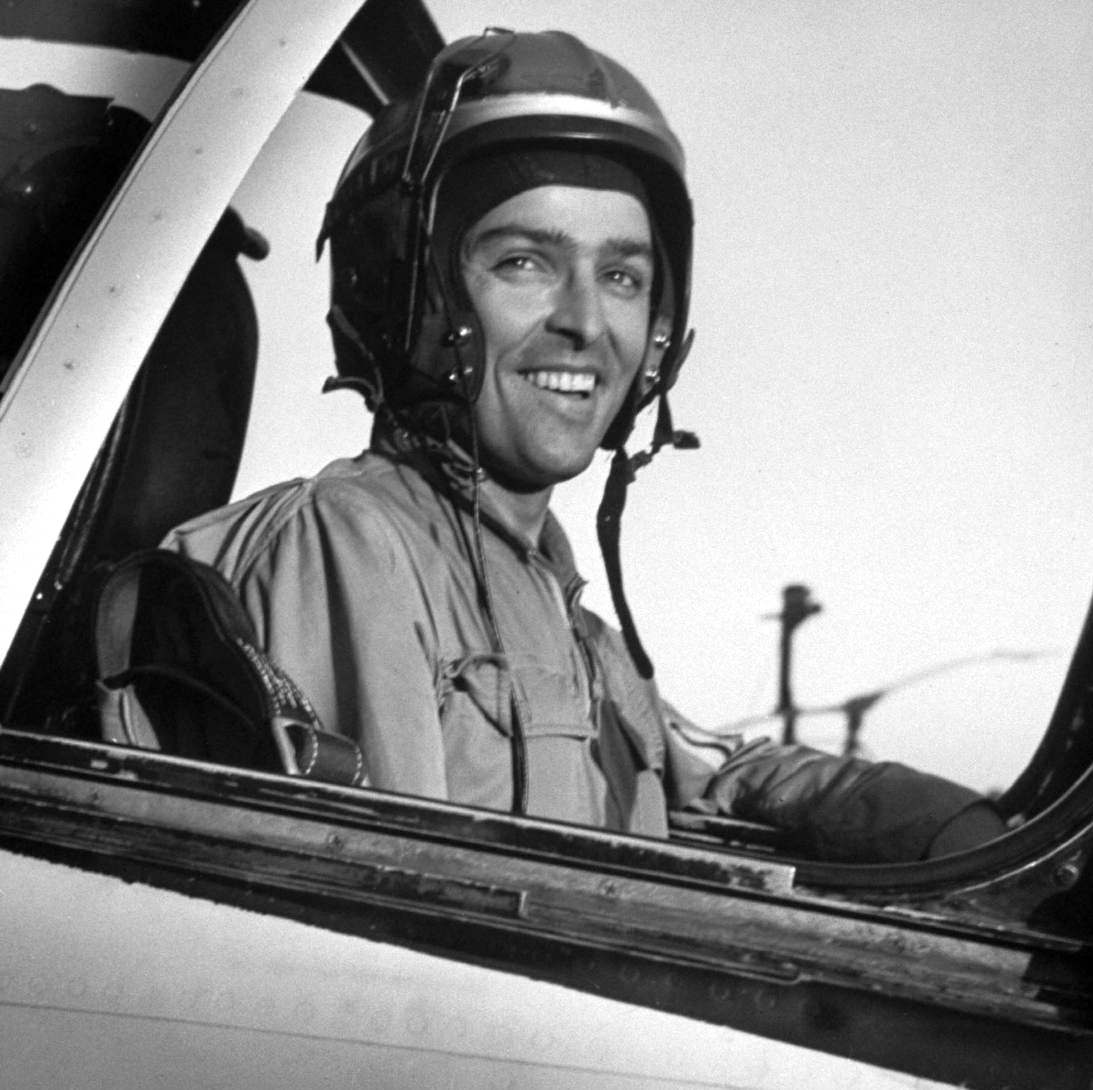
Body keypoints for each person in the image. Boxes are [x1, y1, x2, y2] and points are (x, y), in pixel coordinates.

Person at [164, 29, 1005, 863]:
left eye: (622, 277)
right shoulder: (352, 544)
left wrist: (962, 834)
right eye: (525, 262)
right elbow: (377, 910)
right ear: (404, 297)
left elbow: (710, 770)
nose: (587, 323)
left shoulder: (568, 621)